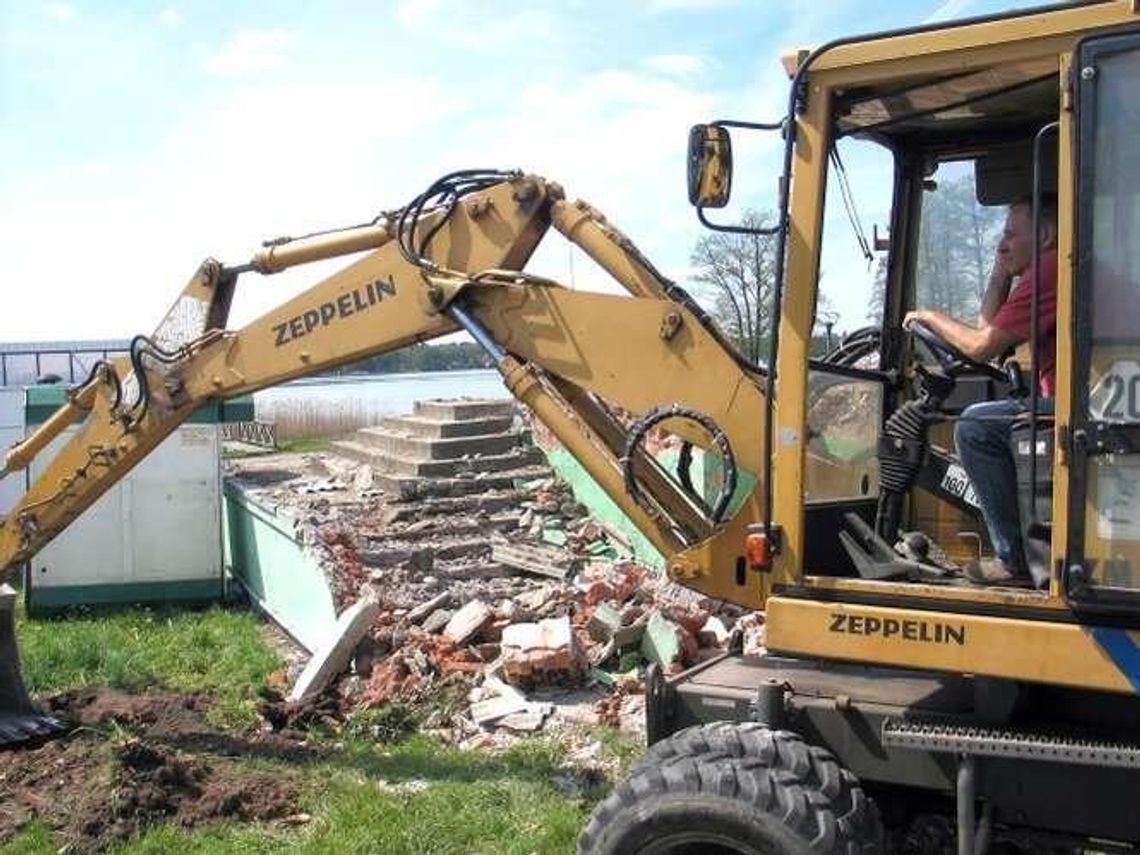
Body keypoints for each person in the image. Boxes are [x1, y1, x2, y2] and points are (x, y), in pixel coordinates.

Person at [904, 195, 1058, 586]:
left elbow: (979, 345)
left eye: (1009, 235)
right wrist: (1001, 271)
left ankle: (1014, 562)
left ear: (1044, 236)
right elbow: (989, 325)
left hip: (1074, 409)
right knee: (993, 419)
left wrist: (930, 316)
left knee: (975, 427)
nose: (1000, 244)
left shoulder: (1050, 270)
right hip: (1074, 404)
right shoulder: (1048, 270)